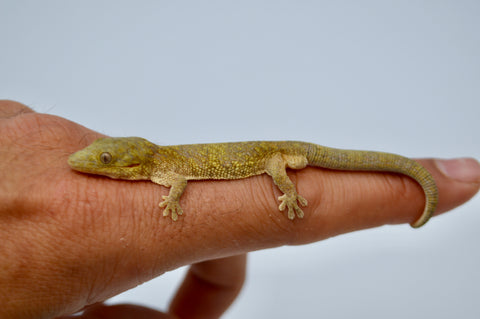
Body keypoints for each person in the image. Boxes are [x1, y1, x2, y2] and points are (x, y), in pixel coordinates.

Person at [1, 100, 479, 319]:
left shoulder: (164, 171)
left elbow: (180, 183)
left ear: (132, 159)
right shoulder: (155, 164)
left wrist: (287, 191)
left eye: (104, 158)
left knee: (285, 176)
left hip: (280, 155)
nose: (88, 163)